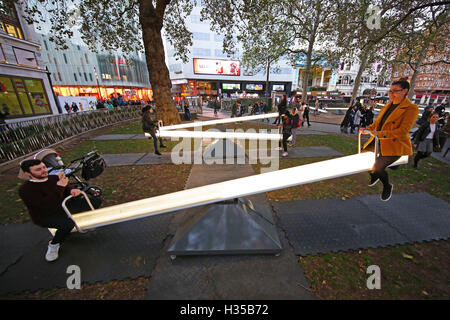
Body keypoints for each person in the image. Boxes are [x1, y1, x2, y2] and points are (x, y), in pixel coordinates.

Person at [360, 78, 419, 201]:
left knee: (378, 166)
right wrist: (366, 128)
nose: (391, 94)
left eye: (395, 91)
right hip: (380, 140)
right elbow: (378, 124)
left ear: (405, 91)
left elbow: (403, 131)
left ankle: (387, 186)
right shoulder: (388, 106)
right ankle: (375, 175)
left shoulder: (411, 108)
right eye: (390, 91)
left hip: (395, 144)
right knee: (362, 156)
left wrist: (380, 134)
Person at [19, 160, 81, 262]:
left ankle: (68, 228)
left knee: (94, 201)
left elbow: (66, 188)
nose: (44, 171)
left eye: (44, 167)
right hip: (44, 215)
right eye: (38, 169)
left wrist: (71, 190)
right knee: (67, 224)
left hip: (61, 206)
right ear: (28, 173)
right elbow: (45, 205)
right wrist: (59, 186)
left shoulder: (53, 178)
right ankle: (54, 245)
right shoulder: (25, 190)